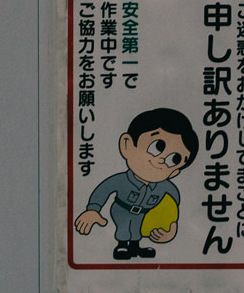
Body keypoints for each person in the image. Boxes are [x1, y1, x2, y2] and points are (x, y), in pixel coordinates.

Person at [73, 107, 198, 260]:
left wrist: (172, 228)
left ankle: (134, 247)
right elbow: (103, 190)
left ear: (174, 172)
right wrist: (93, 210)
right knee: (124, 228)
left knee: (136, 231)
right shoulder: (121, 180)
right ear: (127, 146)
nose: (162, 160)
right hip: (122, 209)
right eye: (157, 147)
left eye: (174, 159)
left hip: (144, 214)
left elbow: (173, 206)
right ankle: (122, 245)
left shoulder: (166, 187)